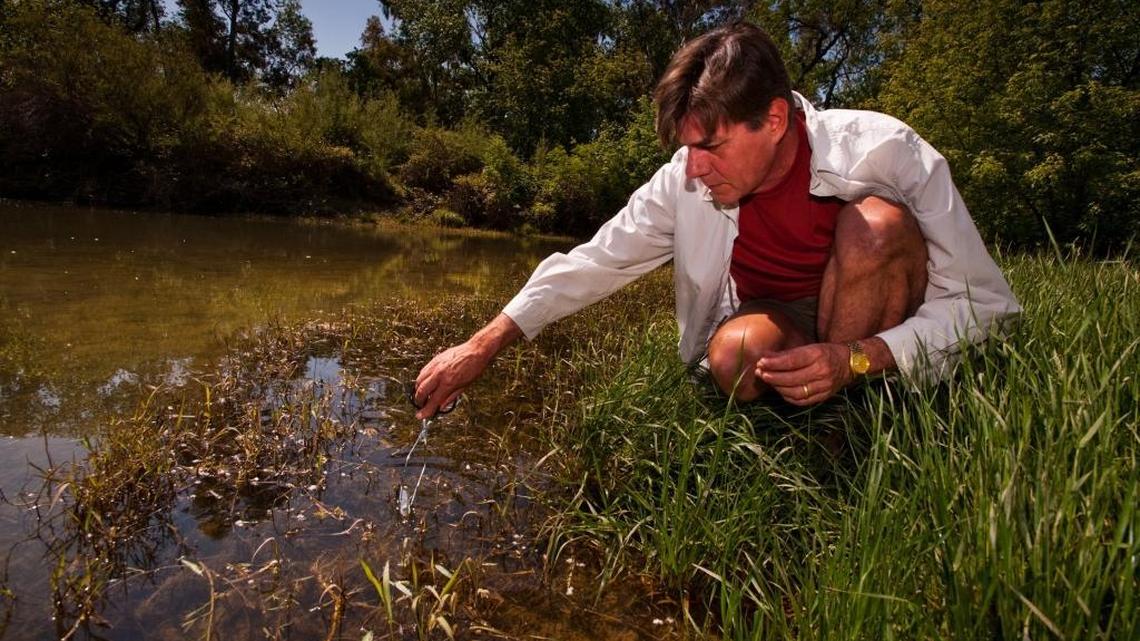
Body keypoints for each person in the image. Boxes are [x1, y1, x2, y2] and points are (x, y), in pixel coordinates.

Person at [412, 22, 1020, 419]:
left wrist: (857, 358)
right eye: (687, 147)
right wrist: (481, 345)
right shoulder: (686, 177)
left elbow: (985, 305)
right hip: (777, 314)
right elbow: (593, 262)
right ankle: (807, 410)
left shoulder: (889, 151)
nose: (695, 168)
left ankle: (850, 424)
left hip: (872, 308)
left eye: (713, 146)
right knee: (731, 358)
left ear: (775, 120)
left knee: (878, 228)